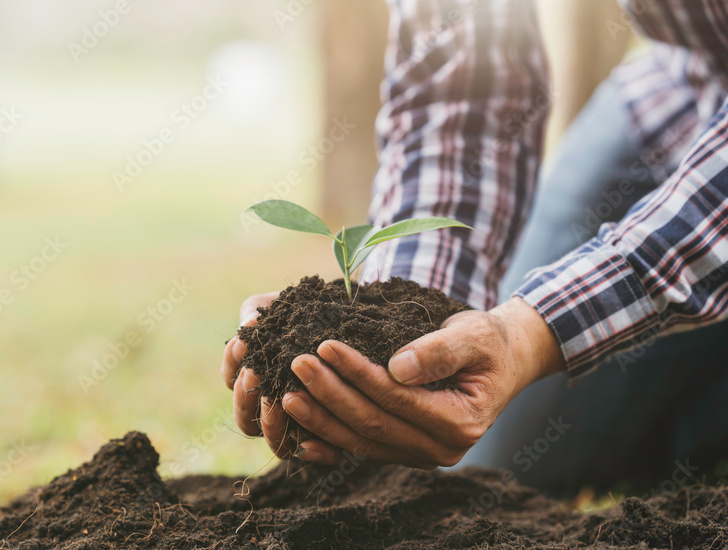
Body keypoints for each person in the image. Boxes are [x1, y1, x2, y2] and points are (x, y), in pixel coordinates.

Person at [221, 0, 728, 496]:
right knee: (491, 460)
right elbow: (463, 86)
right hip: (680, 94)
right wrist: (413, 319)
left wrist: (531, 332)